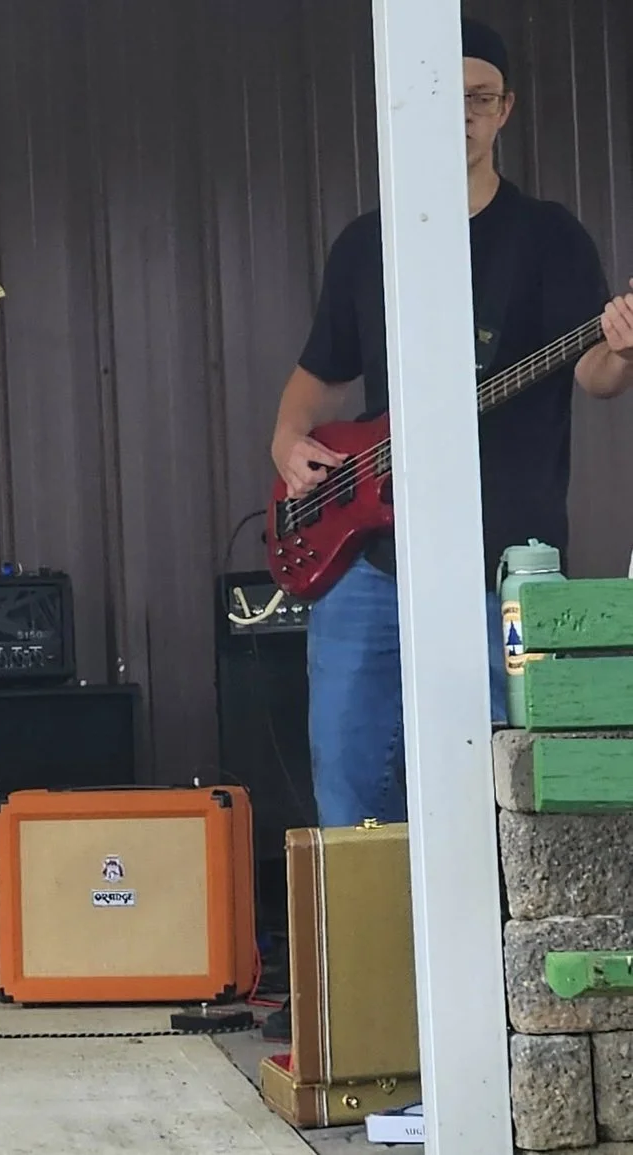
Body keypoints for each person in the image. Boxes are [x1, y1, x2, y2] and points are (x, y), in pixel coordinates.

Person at [270, 19, 633, 829]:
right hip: (367, 559)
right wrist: (287, 444)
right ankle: (376, 955)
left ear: (506, 111)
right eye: (448, 98)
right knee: (350, 782)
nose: (463, 115)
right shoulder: (366, 244)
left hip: (499, 561)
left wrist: (622, 347)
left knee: (504, 790)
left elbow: (595, 375)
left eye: (480, 99)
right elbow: (314, 378)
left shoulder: (550, 238)